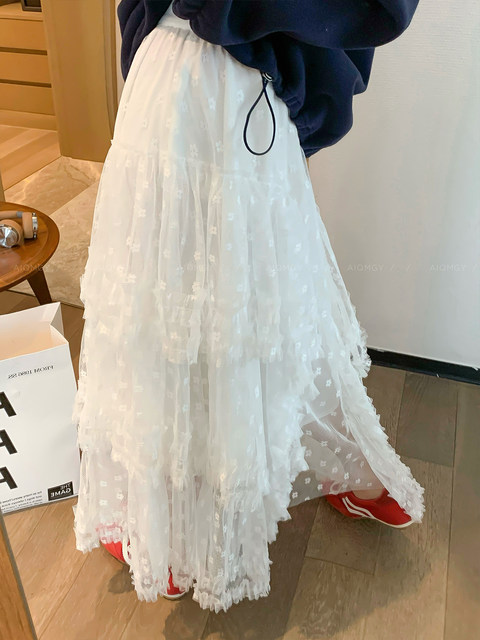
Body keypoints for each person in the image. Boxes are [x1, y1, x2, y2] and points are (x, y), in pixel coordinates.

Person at [71, 0, 425, 613]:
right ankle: (178, 515)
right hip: (214, 81)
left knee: (198, 299)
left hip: (211, 79)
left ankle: (171, 524)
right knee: (218, 300)